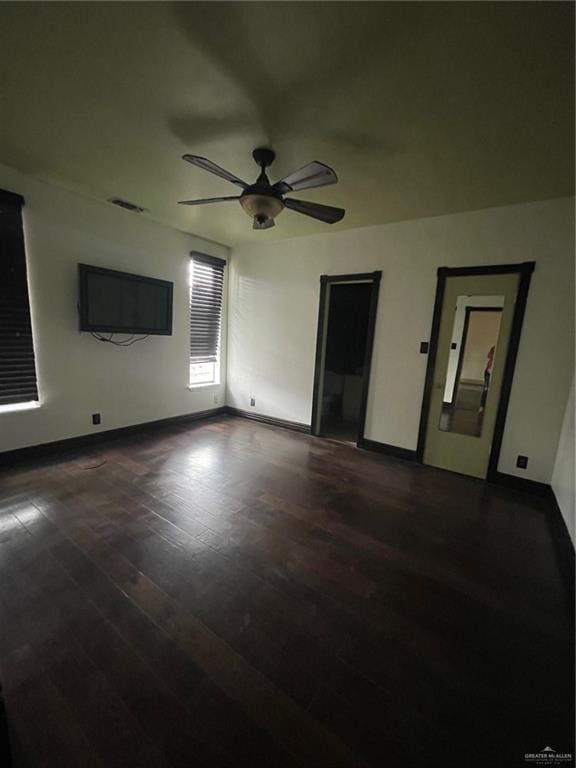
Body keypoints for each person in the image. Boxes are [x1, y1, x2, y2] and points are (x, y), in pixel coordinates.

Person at [479, 345, 495, 412]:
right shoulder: (494, 348)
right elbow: (488, 356)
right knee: (486, 388)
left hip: (493, 372)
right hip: (488, 372)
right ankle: (482, 406)